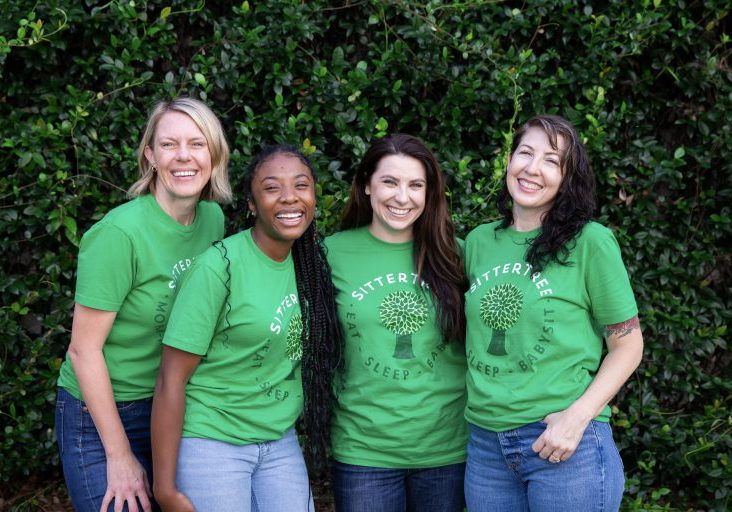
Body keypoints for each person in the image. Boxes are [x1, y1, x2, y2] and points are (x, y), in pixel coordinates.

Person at [55, 97, 232, 512]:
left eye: (197, 143)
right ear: (150, 155)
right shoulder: (118, 234)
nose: (184, 156)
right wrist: (119, 455)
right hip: (101, 412)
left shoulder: (213, 221)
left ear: (214, 154)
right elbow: (84, 350)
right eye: (169, 145)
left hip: (174, 405)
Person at [463, 114, 644, 511]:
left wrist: (576, 418)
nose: (532, 168)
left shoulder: (589, 243)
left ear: (567, 177)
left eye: (551, 160)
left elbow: (628, 345)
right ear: (508, 161)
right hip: (485, 449)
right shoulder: (478, 241)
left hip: (564, 446)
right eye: (525, 153)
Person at [151, 144, 341, 512]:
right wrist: (165, 487)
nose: (289, 197)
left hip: (278, 440)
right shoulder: (218, 268)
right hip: (213, 441)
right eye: (272, 188)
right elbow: (170, 379)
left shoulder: (310, 266)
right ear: (251, 204)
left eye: (301, 185)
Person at [326, 133, 468, 512]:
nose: (402, 197)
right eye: (390, 182)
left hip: (446, 452)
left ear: (430, 193)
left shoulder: (454, 255)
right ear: (367, 185)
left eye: (415, 185)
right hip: (364, 453)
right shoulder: (331, 254)